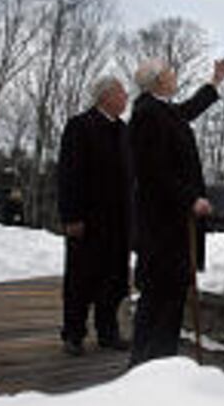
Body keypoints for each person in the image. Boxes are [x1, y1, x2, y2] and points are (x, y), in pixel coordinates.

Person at [128, 56, 224, 367]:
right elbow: (154, 170)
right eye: (171, 73)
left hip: (171, 224)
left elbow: (188, 110)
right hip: (163, 225)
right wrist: (190, 199)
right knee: (160, 295)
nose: (175, 76)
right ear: (159, 80)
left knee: (170, 293)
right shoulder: (147, 114)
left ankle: (159, 361)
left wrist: (215, 81)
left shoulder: (161, 110)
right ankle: (151, 364)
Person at [57, 76, 133, 356]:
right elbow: (68, 174)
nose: (126, 98)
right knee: (80, 279)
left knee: (114, 281)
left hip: (119, 223)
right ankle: (73, 334)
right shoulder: (80, 126)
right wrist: (71, 216)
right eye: (122, 93)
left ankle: (108, 332)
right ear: (106, 96)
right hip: (87, 221)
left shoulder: (124, 131)